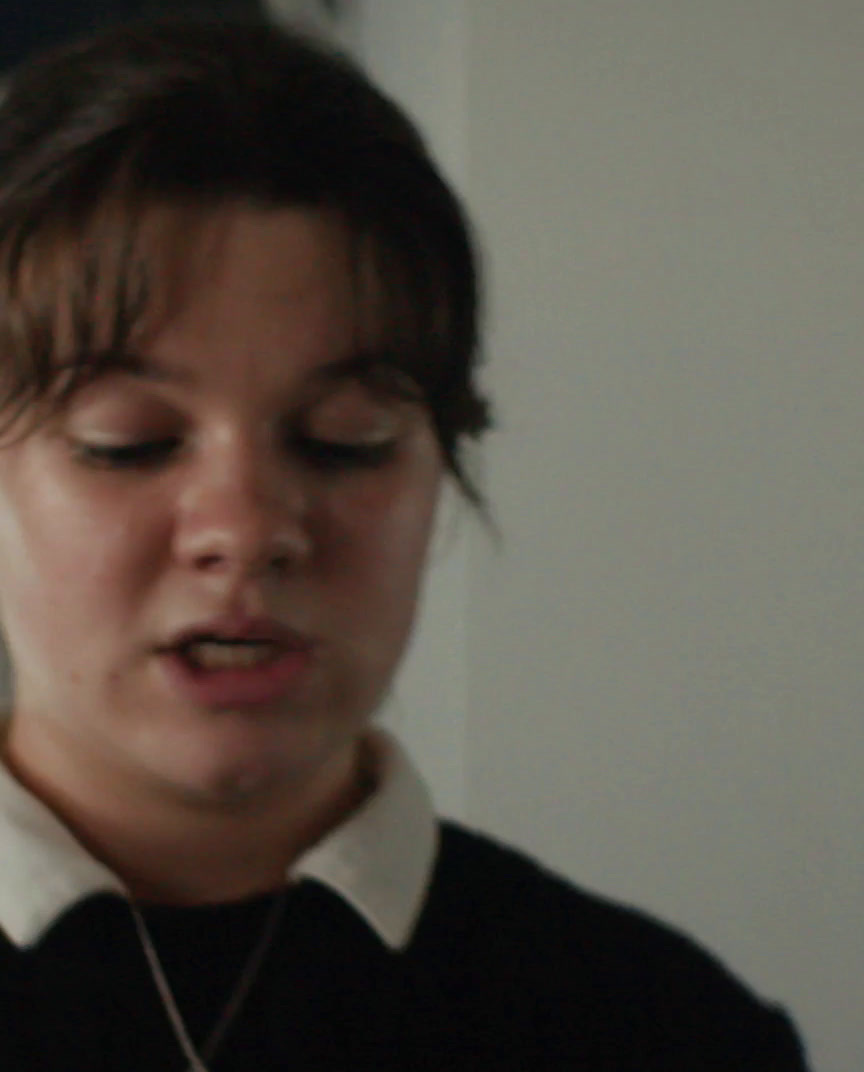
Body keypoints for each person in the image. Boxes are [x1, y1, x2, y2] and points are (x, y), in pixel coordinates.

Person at [0, 17, 810, 1071]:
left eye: (345, 443)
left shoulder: (660, 1028)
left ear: (440, 463)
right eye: (130, 444)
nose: (246, 531)